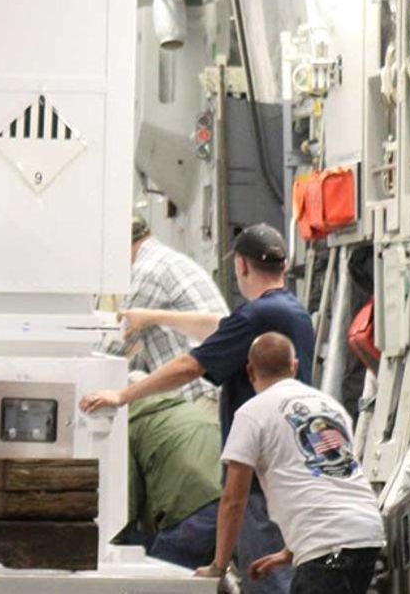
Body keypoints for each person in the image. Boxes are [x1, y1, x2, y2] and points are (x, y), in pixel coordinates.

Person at [80, 223, 316, 594]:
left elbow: (188, 366)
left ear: (241, 266)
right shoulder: (289, 312)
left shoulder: (255, 317)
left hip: (261, 473)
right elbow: (220, 326)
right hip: (291, 465)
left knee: (267, 582)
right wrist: (156, 317)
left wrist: (122, 395)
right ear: (283, 266)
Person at [197, 333, 384, 593]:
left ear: (250, 371)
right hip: (366, 535)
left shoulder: (251, 414)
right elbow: (327, 477)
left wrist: (218, 566)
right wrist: (289, 552)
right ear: (294, 366)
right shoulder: (331, 407)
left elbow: (233, 500)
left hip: (327, 550)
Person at [117, 214, 228, 403]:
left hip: (195, 393)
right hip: (216, 389)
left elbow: (118, 342)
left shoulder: (147, 270)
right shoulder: (170, 260)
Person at [124, 374, 223, 569]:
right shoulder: (189, 410)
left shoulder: (133, 425)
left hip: (192, 508)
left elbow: (128, 501)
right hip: (235, 504)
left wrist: (108, 547)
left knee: (162, 581)